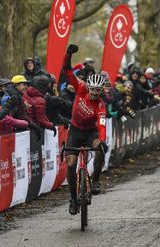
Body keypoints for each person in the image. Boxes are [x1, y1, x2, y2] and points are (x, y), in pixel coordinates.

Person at [63, 44, 108, 215]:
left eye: (99, 90)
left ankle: (96, 178)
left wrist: (102, 140)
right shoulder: (80, 87)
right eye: (93, 90)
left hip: (90, 133)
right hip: (74, 131)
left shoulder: (101, 105)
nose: (95, 93)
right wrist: (68, 54)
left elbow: (102, 124)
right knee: (71, 163)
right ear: (88, 87)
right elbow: (67, 71)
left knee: (99, 147)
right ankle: (73, 199)